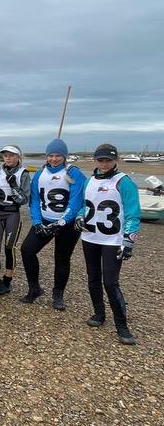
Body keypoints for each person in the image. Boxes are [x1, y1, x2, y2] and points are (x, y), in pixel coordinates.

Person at [75, 144, 140, 345]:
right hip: (91, 238)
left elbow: (133, 214)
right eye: (101, 160)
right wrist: (79, 217)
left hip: (113, 240)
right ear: (96, 160)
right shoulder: (90, 181)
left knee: (110, 282)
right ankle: (98, 314)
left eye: (108, 160)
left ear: (115, 160)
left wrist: (129, 240)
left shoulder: (124, 182)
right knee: (93, 278)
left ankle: (122, 325)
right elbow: (84, 207)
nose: (104, 164)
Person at [20, 139, 86, 309]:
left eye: (58, 155)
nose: (54, 159)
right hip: (44, 220)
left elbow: (76, 201)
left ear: (64, 156)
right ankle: (34, 289)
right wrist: (36, 222)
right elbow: (34, 201)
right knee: (27, 250)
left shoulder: (74, 173)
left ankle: (58, 295)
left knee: (62, 259)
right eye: (51, 155)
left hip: (67, 225)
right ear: (46, 156)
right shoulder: (40, 174)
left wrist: (62, 222)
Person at [0, 145, 30, 300]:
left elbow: (23, 199)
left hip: (12, 214)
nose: (8, 158)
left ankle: (7, 281)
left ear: (18, 157)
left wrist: (13, 185)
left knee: (9, 248)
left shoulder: (23, 174)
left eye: (11, 155)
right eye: (5, 156)